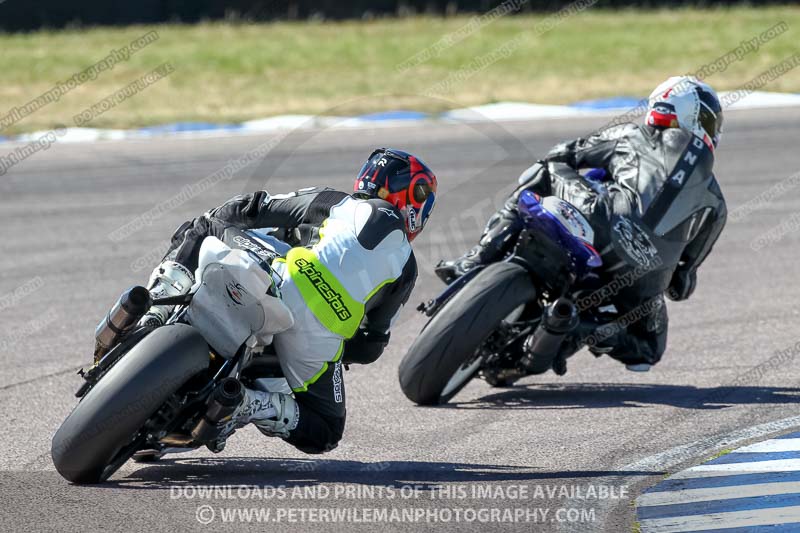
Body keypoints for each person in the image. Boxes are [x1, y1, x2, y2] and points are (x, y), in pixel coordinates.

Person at [141, 148, 437, 453]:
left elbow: (255, 207)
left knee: (203, 226)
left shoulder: (336, 202)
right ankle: (246, 402)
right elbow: (371, 345)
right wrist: (332, 344)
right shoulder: (407, 268)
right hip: (319, 334)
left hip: (279, 275)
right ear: (411, 199)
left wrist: (222, 223)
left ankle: (156, 306)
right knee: (327, 431)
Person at [435, 76, 726, 371]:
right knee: (648, 350)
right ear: (698, 119)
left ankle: (475, 260)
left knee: (546, 171)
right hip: (645, 276)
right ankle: (581, 328)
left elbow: (564, 153)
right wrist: (666, 276)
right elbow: (682, 283)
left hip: (600, 219)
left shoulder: (632, 135)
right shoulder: (716, 201)